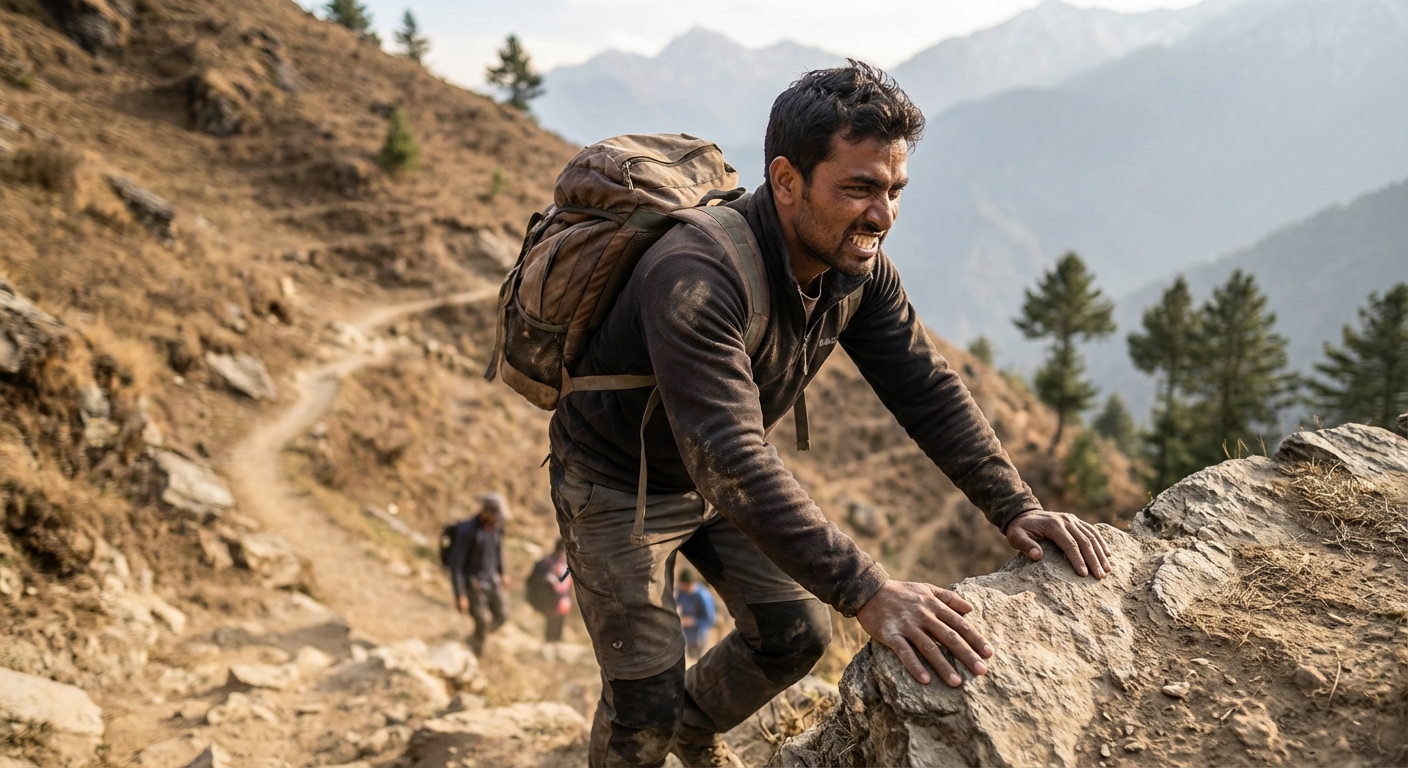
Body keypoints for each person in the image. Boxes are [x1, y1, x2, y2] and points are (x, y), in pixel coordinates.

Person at [546, 61, 1114, 767]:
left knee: (796, 635)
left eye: (895, 190)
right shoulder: (694, 273)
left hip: (713, 478)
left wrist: (1015, 507)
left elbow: (925, 388)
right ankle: (662, 726)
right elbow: (729, 451)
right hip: (616, 482)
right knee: (641, 705)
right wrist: (868, 589)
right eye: (860, 189)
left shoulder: (858, 269)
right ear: (786, 181)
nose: (882, 216)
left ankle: (691, 729)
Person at [447, 493, 510, 656]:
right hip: (473, 585)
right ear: (485, 513)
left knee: (502, 616)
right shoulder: (468, 532)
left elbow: (497, 550)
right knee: (481, 622)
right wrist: (460, 595)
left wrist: (502, 573)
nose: (498, 519)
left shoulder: (496, 528)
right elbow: (456, 565)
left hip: (492, 581)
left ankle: (472, 639)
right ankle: (476, 654)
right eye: (495, 516)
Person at [528, 539, 574, 642]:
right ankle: (549, 643)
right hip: (550, 599)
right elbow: (538, 578)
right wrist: (551, 581)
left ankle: (556, 643)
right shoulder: (547, 562)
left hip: (563, 600)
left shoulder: (567, 564)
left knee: (559, 625)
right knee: (551, 625)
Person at [674, 570, 716, 662]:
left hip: (700, 637)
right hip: (687, 636)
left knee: (699, 663)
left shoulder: (702, 596)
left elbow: (711, 620)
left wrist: (693, 621)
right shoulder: (681, 592)